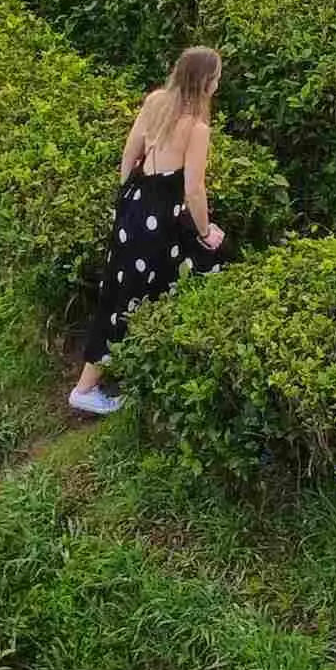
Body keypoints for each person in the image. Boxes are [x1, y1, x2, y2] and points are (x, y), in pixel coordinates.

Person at [68, 45, 226, 416]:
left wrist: (128, 199)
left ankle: (136, 371)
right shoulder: (198, 127)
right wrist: (206, 231)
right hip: (162, 215)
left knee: (123, 292)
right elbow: (193, 189)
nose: (218, 84)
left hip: (137, 204)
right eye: (217, 77)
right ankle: (86, 388)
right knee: (201, 270)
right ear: (205, 82)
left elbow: (129, 153)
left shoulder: (156, 101)